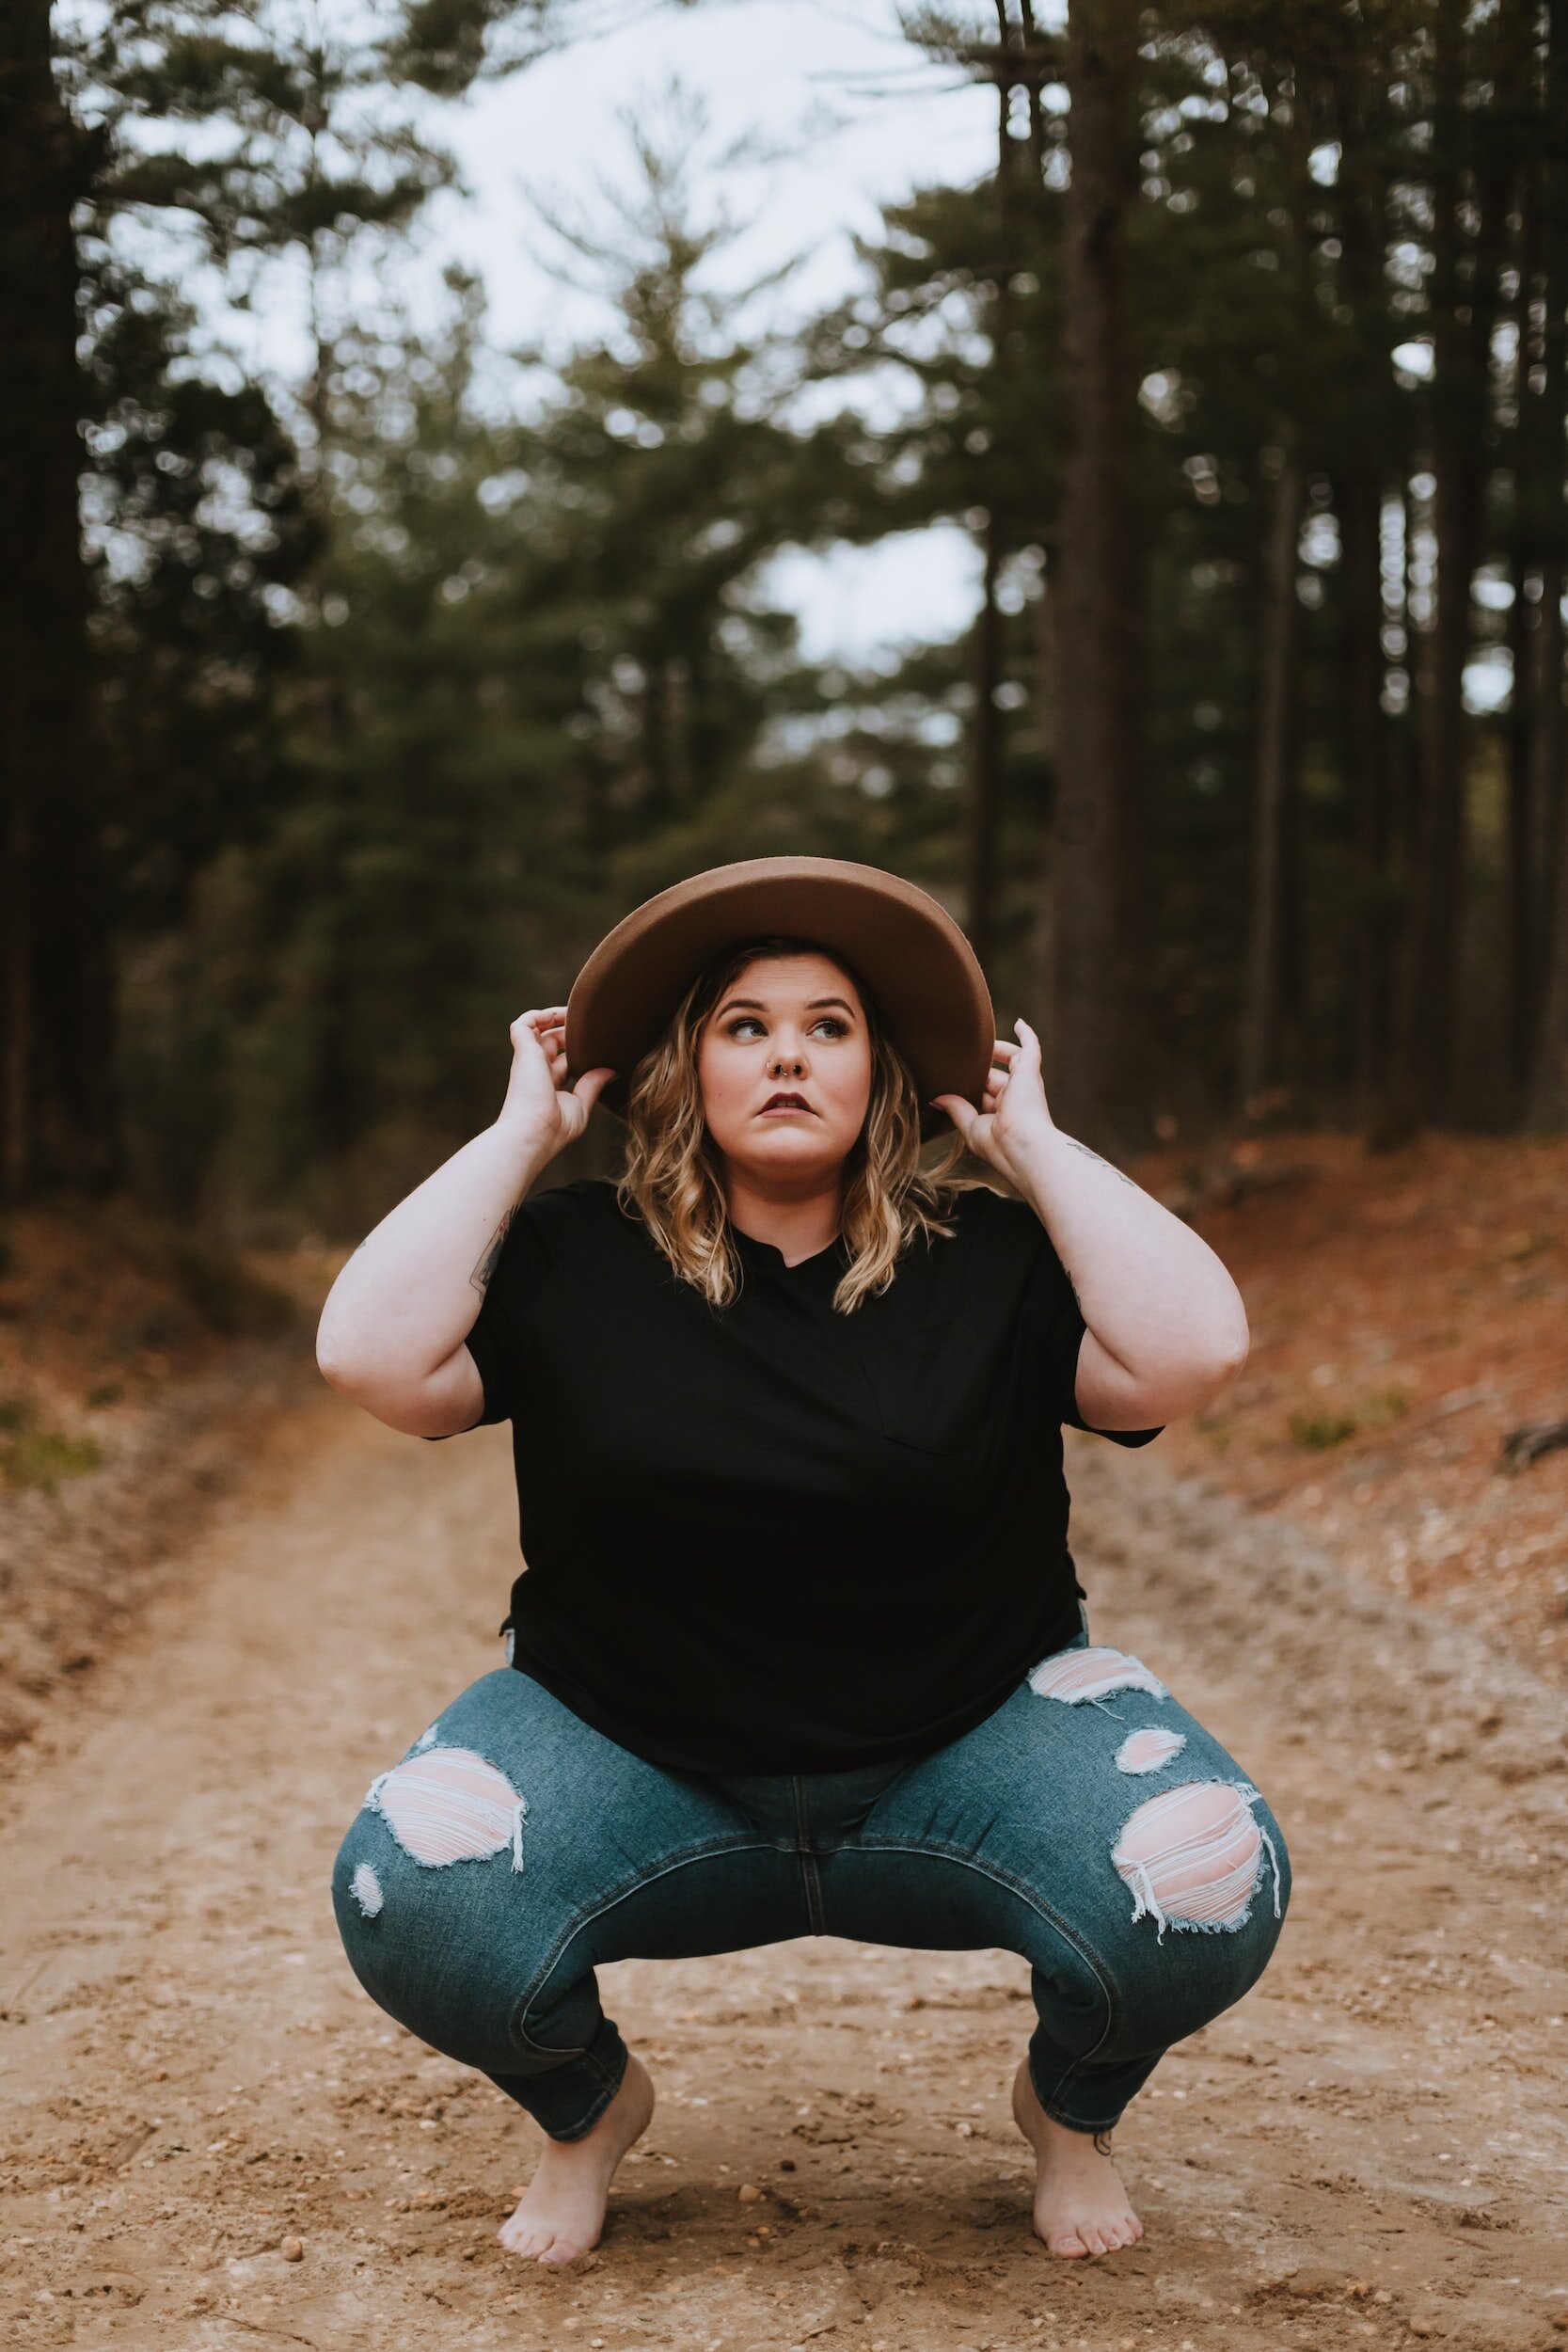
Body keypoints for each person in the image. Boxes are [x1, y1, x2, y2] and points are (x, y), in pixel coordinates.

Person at [316, 854, 1290, 2271]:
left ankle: (1068, 2112)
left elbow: (1191, 1354)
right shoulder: (577, 1254)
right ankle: (588, 2113)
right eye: (745, 1025)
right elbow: (370, 1359)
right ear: (686, 1067)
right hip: (634, 1759)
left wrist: (1036, 1151)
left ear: (882, 1073)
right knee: (409, 1896)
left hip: (963, 1758)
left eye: (830, 1026)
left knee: (1214, 1884)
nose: (788, 1054)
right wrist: (523, 1136)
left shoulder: (992, 1258)